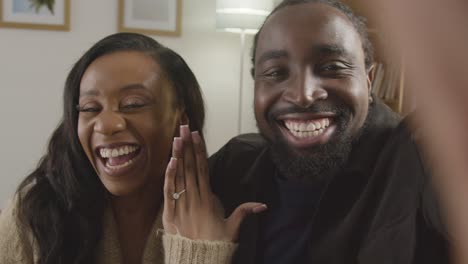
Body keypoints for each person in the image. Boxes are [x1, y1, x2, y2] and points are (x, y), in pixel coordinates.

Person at [207, 0, 451, 263]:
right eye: (276, 72)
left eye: (332, 67)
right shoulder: (232, 165)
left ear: (368, 83)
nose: (303, 95)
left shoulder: (420, 156)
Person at [0, 32, 266, 264]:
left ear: (180, 118)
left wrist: (198, 255)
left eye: (133, 104)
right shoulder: (34, 213)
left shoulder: (219, 210)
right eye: (90, 108)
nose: (105, 125)